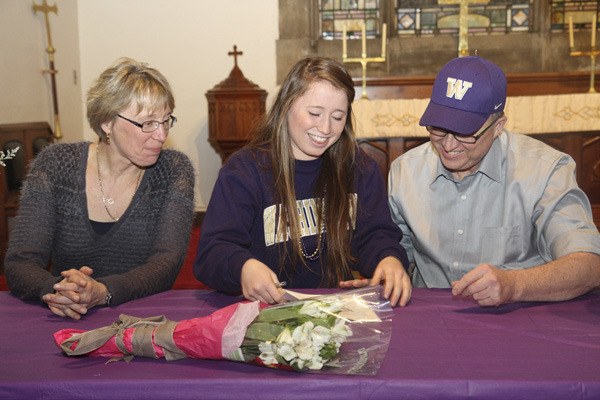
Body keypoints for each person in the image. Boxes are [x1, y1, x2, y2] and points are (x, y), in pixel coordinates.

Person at [194, 56, 411, 306]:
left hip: (335, 309)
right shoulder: (244, 171)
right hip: (265, 309)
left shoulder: (360, 169)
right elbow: (213, 252)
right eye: (314, 113)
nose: (326, 128)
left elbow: (375, 234)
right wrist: (243, 267)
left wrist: (388, 258)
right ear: (286, 106)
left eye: (338, 117)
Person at [388, 55, 600, 307]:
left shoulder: (545, 171)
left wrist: (514, 285)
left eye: (466, 133)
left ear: (498, 126)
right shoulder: (405, 171)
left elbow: (589, 265)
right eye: (438, 128)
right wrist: (388, 264)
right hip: (430, 313)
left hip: (517, 315)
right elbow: (394, 251)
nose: (448, 145)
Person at [5, 57, 195, 319]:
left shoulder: (174, 170)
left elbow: (166, 263)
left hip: (142, 318)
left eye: (166, 121)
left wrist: (104, 291)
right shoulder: (56, 165)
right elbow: (20, 261)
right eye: (148, 123)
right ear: (107, 122)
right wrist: (59, 290)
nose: (161, 135)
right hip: (68, 314)